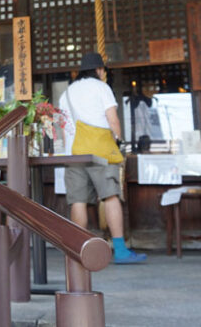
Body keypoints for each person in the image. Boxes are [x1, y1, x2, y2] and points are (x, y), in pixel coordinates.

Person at [58, 52, 147, 264]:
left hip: (75, 152)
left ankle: (78, 250)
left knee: (78, 201)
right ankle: (121, 251)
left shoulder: (66, 93)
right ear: (99, 70)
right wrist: (120, 141)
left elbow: (63, 128)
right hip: (100, 153)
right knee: (110, 196)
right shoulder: (101, 87)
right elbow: (113, 120)